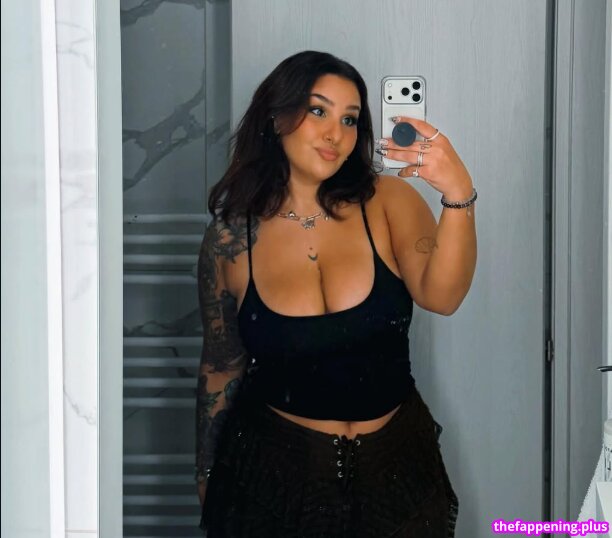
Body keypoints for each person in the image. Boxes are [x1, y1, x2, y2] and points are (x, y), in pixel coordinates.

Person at [194, 50, 476, 537]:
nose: (335, 134)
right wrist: (206, 477)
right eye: (318, 111)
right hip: (273, 480)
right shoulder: (229, 240)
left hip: (398, 473)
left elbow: (443, 296)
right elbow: (220, 367)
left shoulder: (387, 201)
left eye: (349, 119)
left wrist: (458, 193)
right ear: (276, 117)